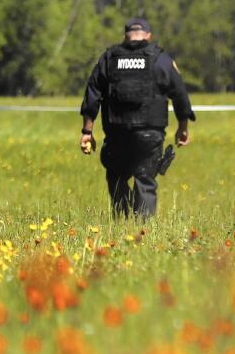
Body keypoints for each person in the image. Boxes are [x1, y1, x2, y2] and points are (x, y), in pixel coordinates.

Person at [79, 18, 194, 219]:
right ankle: (142, 230)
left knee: (116, 177)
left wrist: (87, 131)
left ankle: (123, 223)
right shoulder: (161, 59)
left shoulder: (109, 58)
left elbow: (92, 93)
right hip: (149, 134)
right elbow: (180, 94)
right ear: (148, 35)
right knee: (145, 179)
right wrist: (182, 127)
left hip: (117, 133)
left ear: (126, 35)